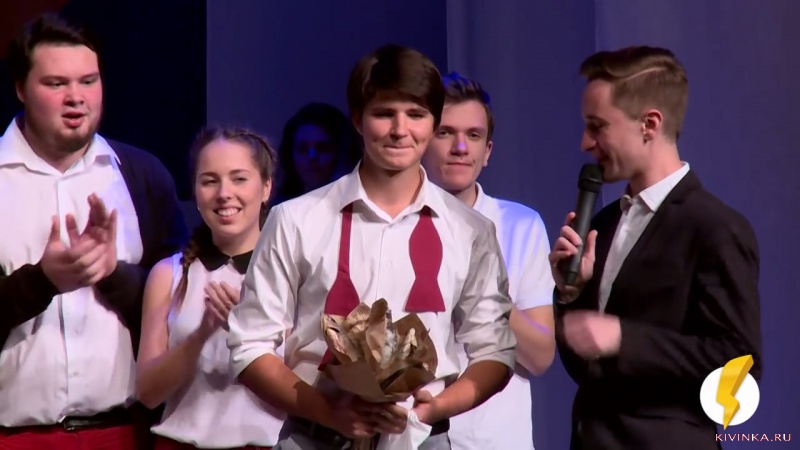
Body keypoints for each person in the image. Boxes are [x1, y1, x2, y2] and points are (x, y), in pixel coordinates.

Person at [226, 44, 516, 450]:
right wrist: (328, 412)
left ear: (434, 123)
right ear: (358, 119)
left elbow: (495, 351)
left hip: (421, 439)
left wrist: (434, 408)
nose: (400, 129)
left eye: (416, 114)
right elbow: (249, 346)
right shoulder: (296, 219)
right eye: (384, 113)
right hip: (314, 436)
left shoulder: (470, 230)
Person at [548, 45, 761, 450]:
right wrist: (573, 294)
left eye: (597, 127)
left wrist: (624, 338)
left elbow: (740, 369)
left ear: (649, 124)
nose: (585, 143)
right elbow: (588, 368)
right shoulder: (604, 224)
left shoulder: (714, 227)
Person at [0, 12, 187, 449]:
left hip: (123, 432)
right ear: (21, 88)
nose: (76, 98)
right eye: (56, 84)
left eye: (88, 81)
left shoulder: (141, 174)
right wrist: (42, 281)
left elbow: (183, 311)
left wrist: (113, 273)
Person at [421, 72, 555, 450]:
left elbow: (540, 357)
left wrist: (482, 287)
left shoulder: (520, 225)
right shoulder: (386, 224)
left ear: (488, 151)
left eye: (474, 135)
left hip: (494, 439)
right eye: (445, 133)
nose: (461, 147)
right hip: (410, 434)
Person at [136, 127, 284, 449]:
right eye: (209, 181)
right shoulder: (169, 274)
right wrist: (202, 333)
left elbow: (308, 388)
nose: (224, 193)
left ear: (266, 187)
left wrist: (246, 330)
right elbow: (147, 393)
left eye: (239, 179)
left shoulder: (290, 272)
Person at [272, 102, 361, 204]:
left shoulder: (357, 204)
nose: (312, 156)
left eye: (323, 148)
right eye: (303, 149)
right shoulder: (277, 208)